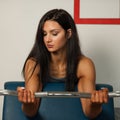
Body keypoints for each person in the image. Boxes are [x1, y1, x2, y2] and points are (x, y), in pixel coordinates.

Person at [17, 9, 109, 119]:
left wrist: (96, 104)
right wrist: (27, 103)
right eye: (44, 34)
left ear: (68, 33)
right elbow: (30, 112)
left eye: (54, 34)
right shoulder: (34, 64)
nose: (48, 39)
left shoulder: (84, 65)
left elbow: (90, 113)